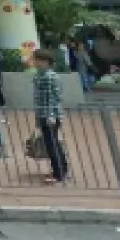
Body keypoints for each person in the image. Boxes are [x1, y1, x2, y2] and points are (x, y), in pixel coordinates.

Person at [33, 49, 69, 184]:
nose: (35, 62)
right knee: (53, 143)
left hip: (49, 114)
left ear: (45, 61)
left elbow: (51, 98)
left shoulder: (48, 76)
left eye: (37, 60)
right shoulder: (40, 75)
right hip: (45, 113)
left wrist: (50, 115)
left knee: (52, 144)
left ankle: (58, 173)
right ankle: (61, 170)